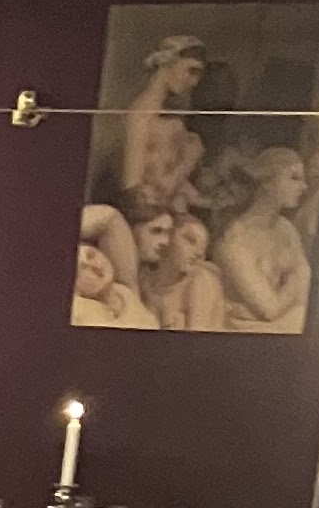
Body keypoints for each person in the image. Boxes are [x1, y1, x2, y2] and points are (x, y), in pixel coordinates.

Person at [214, 145, 315, 334]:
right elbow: (269, 309)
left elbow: (306, 286)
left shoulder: (286, 229)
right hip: (243, 331)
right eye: (294, 178)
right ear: (267, 183)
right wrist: (298, 279)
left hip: (281, 323)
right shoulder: (234, 239)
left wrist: (299, 280)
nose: (304, 187)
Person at [117, 33, 211, 210]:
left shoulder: (172, 115)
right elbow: (133, 195)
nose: (194, 82)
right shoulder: (141, 116)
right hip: (149, 216)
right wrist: (188, 161)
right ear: (169, 63)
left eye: (198, 75)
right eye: (191, 71)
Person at [71, 205, 155, 329]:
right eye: (82, 269)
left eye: (91, 255)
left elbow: (110, 217)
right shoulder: (79, 309)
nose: (94, 266)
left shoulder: (126, 292)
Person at [154, 207, 230, 333]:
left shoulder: (200, 280)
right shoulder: (145, 281)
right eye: (190, 240)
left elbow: (197, 339)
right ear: (167, 237)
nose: (199, 253)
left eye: (203, 248)